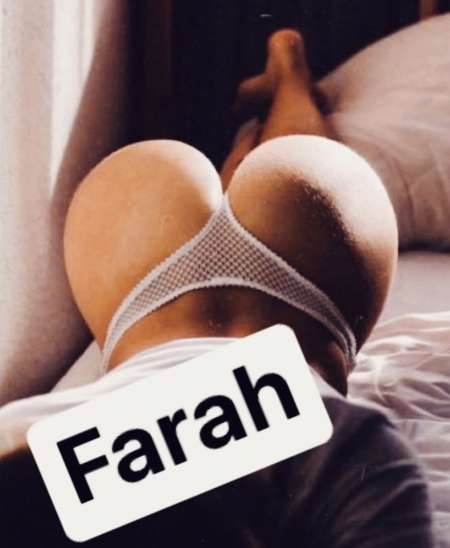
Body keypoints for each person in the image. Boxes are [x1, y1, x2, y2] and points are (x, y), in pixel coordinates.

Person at [1, 30, 433, 547]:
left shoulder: (348, 455)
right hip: (162, 292)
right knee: (285, 178)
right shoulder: (349, 456)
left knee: (286, 179)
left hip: (223, 318)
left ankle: (285, 83)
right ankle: (288, 78)